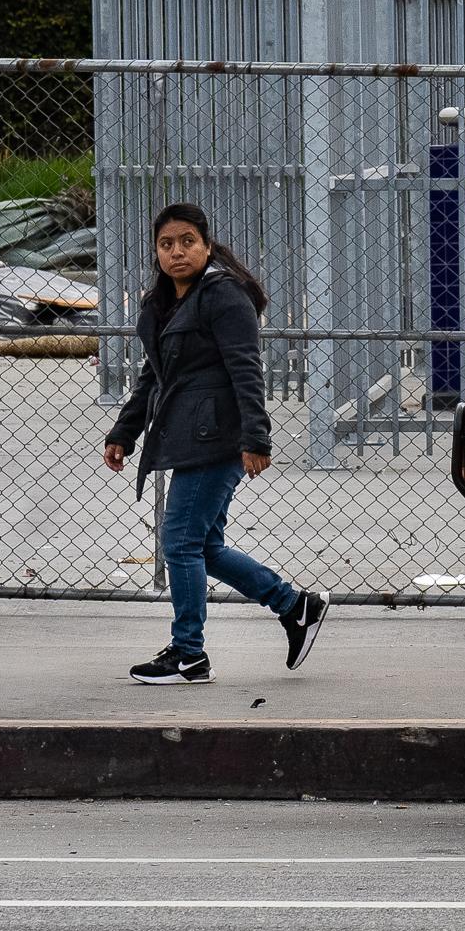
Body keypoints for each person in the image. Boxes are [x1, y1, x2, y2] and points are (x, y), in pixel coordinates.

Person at [105, 203, 328, 683]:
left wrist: (256, 437)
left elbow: (247, 369)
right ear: (156, 252)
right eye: (166, 244)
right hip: (189, 437)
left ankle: (188, 654)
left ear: (207, 246)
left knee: (180, 541)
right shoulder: (163, 303)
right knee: (203, 545)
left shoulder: (224, 296)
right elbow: (154, 376)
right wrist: (124, 431)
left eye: (187, 242)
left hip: (218, 439)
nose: (177, 252)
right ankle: (296, 606)